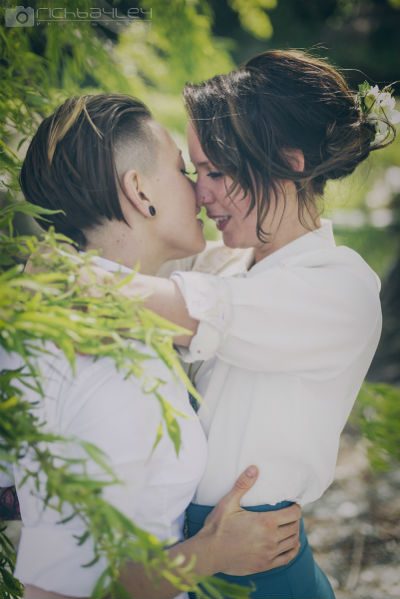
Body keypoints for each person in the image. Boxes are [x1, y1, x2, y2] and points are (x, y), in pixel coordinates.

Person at [87, 50, 397, 598]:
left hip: (258, 569)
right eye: (194, 171)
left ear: (290, 163)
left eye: (218, 172)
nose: (201, 195)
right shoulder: (226, 265)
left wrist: (55, 274)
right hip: (187, 553)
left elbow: (170, 304)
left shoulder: (339, 288)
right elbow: (133, 253)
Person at [4, 93, 301, 599]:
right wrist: (213, 552)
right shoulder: (114, 364)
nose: (202, 192)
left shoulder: (42, 324)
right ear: (140, 191)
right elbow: (69, 589)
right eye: (184, 172)